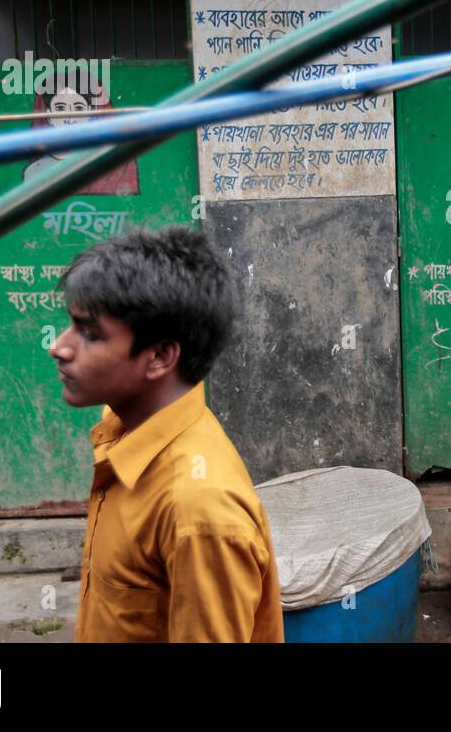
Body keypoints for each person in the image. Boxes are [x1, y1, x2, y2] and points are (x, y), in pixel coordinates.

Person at [48, 225, 283, 643]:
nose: (60, 347)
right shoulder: (123, 431)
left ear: (159, 356)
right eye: (70, 325)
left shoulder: (197, 511)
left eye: (89, 333)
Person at [22, 72, 140, 195]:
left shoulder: (118, 166)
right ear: (48, 115)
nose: (70, 118)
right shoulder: (35, 171)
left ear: (90, 113)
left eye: (78, 108)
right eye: (60, 109)